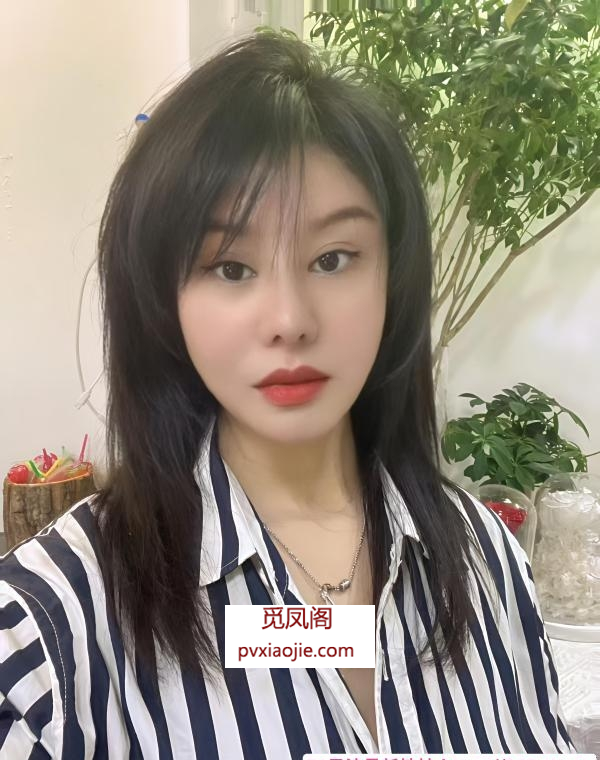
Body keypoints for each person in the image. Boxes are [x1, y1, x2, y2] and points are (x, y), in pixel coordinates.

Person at [0, 31, 574, 759]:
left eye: (333, 259)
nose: (290, 320)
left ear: (393, 278)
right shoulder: (42, 636)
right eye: (231, 268)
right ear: (162, 300)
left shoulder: (489, 561)